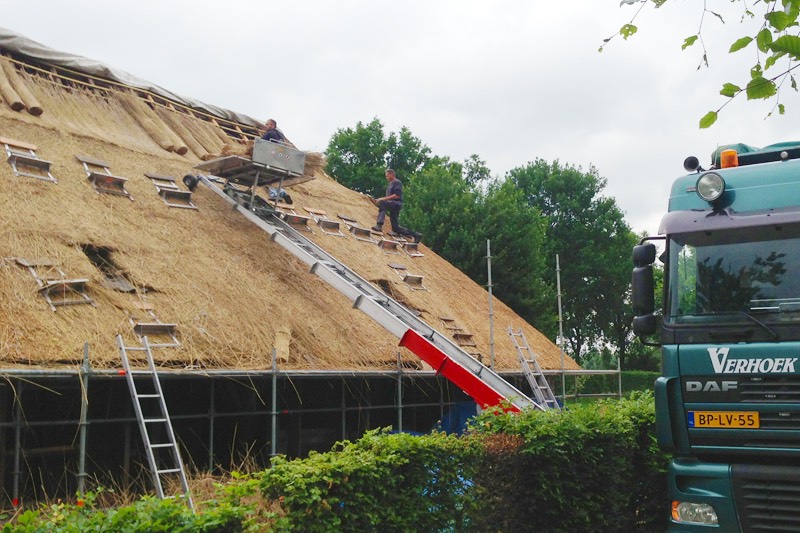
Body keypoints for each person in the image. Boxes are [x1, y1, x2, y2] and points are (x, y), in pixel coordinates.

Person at [371, 169, 422, 243]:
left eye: (387, 176)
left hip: (396, 204)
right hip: (392, 204)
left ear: (392, 174)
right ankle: (416, 235)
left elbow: (397, 196)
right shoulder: (389, 185)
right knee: (395, 227)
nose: (386, 177)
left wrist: (383, 199)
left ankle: (379, 225)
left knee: (383, 203)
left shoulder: (397, 182)